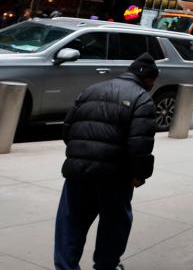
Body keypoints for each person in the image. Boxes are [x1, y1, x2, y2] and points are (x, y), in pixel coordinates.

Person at [54, 55, 159, 270]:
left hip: (78, 171)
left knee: (71, 221)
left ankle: (65, 267)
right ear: (148, 79)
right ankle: (106, 265)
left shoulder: (91, 89)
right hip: (114, 175)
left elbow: (68, 128)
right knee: (114, 223)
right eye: (153, 82)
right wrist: (140, 175)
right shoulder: (142, 99)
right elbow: (140, 145)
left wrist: (80, 154)